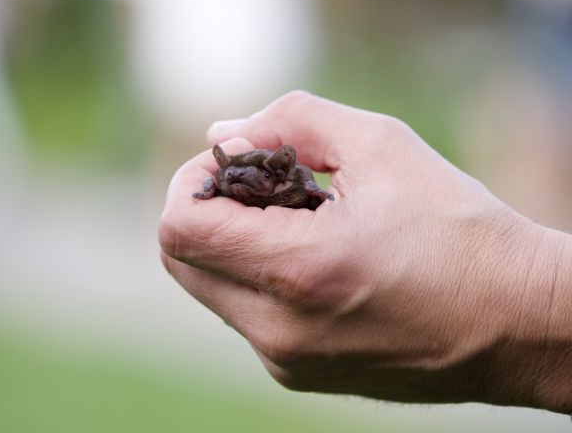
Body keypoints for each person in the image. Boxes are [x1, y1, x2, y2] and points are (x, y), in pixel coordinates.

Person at [158, 91, 572, 415]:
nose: (240, 179)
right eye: (231, 175)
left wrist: (531, 305)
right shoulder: (229, 180)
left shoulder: (296, 185)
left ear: (280, 175)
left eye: (252, 175)